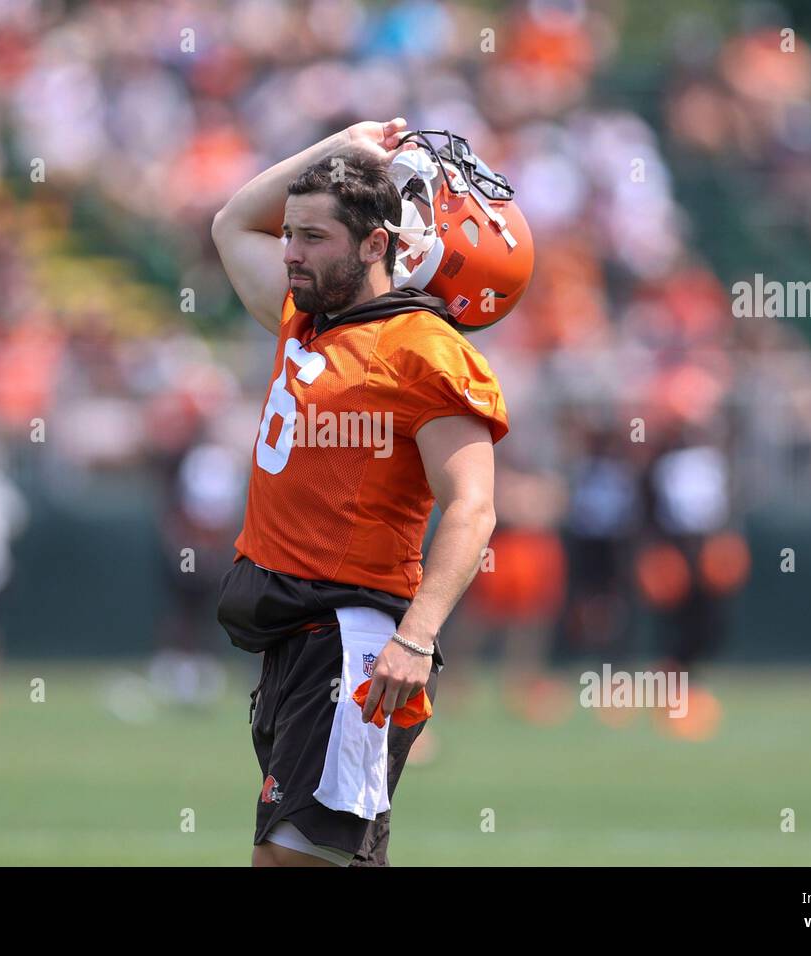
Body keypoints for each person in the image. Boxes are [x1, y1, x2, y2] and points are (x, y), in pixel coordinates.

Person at [211, 118, 508, 866]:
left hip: (352, 639)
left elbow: (472, 504)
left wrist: (419, 634)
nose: (290, 253)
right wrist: (340, 147)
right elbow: (229, 222)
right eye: (289, 235)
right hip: (296, 640)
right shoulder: (304, 318)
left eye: (313, 238)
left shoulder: (423, 348)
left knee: (290, 860)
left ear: (376, 245)